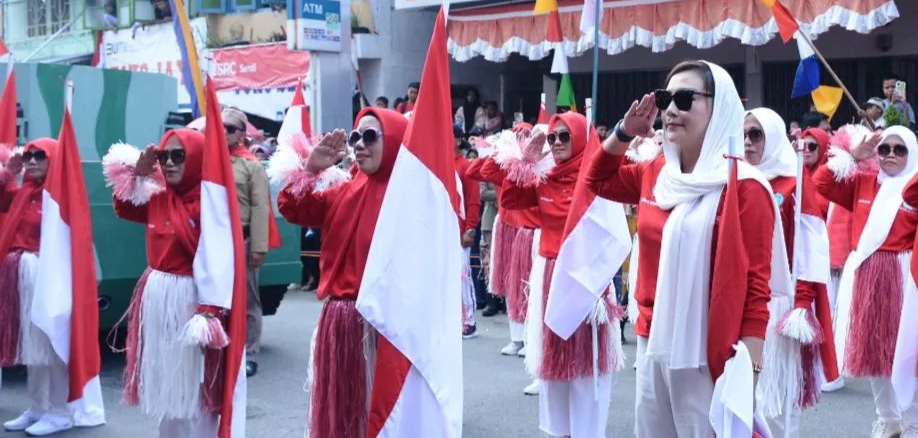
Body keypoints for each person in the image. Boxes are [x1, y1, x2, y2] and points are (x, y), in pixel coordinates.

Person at [586, 60, 780, 437]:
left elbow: (757, 290)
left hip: (709, 349)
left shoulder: (746, 187)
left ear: (719, 108)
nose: (671, 109)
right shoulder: (657, 172)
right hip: (652, 338)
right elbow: (596, 179)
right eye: (665, 99)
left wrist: (750, 373)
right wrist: (624, 132)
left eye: (685, 98)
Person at [274, 108, 406, 438]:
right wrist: (311, 169)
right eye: (356, 136)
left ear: (394, 141)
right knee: (344, 418)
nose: (359, 144)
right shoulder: (342, 188)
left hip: (388, 324)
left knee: (386, 418)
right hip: (342, 321)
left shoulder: (411, 195)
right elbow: (293, 208)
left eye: (370, 136)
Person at [108, 129, 236, 437]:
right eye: (164, 156)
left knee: (194, 380)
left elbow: (220, 259)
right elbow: (124, 207)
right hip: (158, 298)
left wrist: (209, 310)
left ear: (197, 159)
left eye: (178, 156)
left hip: (193, 301)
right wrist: (139, 175)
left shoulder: (211, 202)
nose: (168, 163)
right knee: (168, 377)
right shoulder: (158, 195)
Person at [502, 112, 623, 437]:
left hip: (588, 280)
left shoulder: (598, 179)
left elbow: (613, 234)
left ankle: (587, 431)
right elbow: (510, 200)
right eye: (552, 137)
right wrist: (526, 161)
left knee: (587, 368)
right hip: (551, 279)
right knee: (555, 367)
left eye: (564, 136)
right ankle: (560, 431)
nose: (555, 143)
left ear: (581, 139)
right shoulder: (544, 177)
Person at [817, 126, 918, 438]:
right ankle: (888, 420)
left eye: (899, 150)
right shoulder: (864, 182)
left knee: (906, 353)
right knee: (874, 354)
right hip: (866, 276)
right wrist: (852, 156)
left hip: (904, 276)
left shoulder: (914, 186)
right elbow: (820, 182)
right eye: (884, 149)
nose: (890, 155)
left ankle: (913, 422)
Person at [0, 140, 75, 436]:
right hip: (22, 276)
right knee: (34, 346)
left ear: (53, 160)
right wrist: (8, 172)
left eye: (39, 156)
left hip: (49, 277)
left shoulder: (61, 198)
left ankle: (59, 412)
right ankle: (38, 407)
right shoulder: (23, 192)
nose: (32, 161)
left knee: (52, 343)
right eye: (28, 155)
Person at [222, 108, 272, 378]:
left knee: (248, 301)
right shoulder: (208, 161)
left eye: (230, 128)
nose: (224, 132)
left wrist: (258, 248)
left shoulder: (252, 165)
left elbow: (260, 207)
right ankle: (222, 350)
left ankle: (249, 354)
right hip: (216, 243)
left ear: (242, 134)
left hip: (243, 241)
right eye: (220, 127)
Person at [455, 125, 482, 338]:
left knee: (463, 278)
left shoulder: (466, 166)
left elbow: (473, 201)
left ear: (458, 140)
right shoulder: (437, 165)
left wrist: (470, 229)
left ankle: (469, 322)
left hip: (460, 232)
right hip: (443, 232)